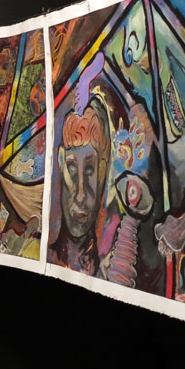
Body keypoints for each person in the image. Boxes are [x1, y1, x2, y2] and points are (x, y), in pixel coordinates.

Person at [51, 95, 111, 276]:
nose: (80, 195)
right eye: (71, 167)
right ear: (60, 162)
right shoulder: (36, 250)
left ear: (102, 172)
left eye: (90, 170)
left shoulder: (110, 270)